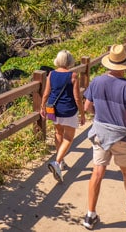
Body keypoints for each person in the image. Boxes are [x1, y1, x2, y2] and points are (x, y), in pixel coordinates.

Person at [82, 44, 126, 230]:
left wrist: (99, 114)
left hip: (100, 133)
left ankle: (90, 215)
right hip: (121, 137)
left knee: (97, 172)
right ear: (125, 66)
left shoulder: (96, 82)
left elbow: (86, 107)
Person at [41, 50, 85, 183]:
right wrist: (82, 113)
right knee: (69, 138)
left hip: (53, 109)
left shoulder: (51, 74)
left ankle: (61, 162)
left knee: (58, 133)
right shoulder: (73, 75)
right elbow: (77, 97)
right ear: (70, 61)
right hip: (68, 109)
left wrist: (42, 107)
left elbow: (46, 93)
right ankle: (57, 162)